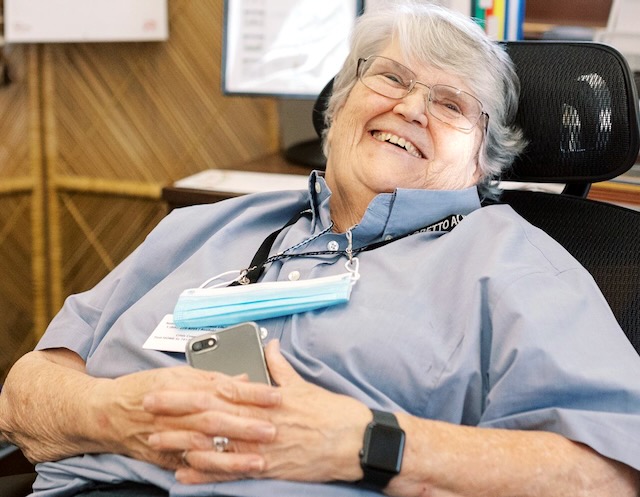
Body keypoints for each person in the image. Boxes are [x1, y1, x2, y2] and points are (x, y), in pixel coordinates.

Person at [2, 1, 640, 496]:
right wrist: (116, 414)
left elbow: (612, 472)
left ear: (483, 158)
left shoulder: (517, 267)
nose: (412, 107)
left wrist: (366, 443)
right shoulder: (199, 227)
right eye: (391, 77)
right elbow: (29, 387)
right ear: (338, 106)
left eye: (451, 103)